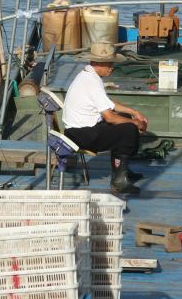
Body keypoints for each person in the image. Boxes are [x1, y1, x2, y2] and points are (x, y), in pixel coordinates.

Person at [62, 42, 149, 196]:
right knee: (128, 129)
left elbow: (108, 104)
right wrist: (135, 123)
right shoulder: (92, 82)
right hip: (81, 135)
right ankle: (119, 181)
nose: (112, 67)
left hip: (75, 131)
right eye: (109, 63)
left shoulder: (88, 75)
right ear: (96, 63)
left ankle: (122, 169)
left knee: (124, 118)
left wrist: (134, 113)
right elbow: (109, 117)